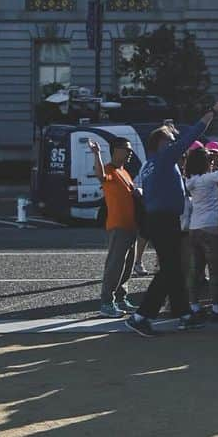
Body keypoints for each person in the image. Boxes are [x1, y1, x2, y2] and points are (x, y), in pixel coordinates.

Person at [125, 101, 218, 337]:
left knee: (174, 269)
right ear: (161, 144)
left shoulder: (149, 165)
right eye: (170, 141)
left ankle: (184, 315)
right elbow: (189, 137)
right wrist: (209, 115)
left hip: (157, 219)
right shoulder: (164, 159)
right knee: (170, 270)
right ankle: (142, 316)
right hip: (165, 219)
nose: (174, 145)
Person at [87, 135, 138, 317]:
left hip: (132, 227)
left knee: (128, 266)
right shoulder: (110, 170)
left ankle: (121, 297)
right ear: (116, 151)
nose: (130, 152)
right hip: (118, 226)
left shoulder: (125, 171)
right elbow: (100, 175)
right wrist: (97, 153)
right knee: (115, 265)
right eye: (127, 149)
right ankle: (106, 302)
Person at [184, 146, 218, 319]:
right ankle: (215, 308)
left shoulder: (190, 180)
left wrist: (212, 162)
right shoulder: (207, 179)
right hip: (212, 228)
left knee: (196, 270)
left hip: (194, 228)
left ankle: (195, 305)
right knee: (214, 271)